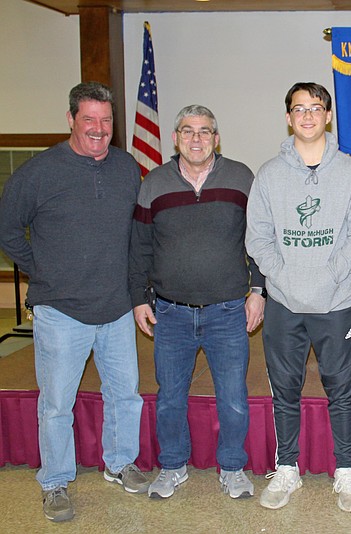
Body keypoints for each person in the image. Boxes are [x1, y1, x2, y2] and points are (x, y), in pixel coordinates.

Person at [0, 82, 148, 522]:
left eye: (106, 120)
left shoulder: (126, 167)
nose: (99, 129)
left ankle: (120, 464)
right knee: (56, 404)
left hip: (117, 307)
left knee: (125, 397)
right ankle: (55, 481)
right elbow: (8, 230)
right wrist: (42, 269)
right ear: (70, 119)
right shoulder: (39, 172)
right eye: (89, 120)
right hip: (60, 312)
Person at [245, 82, 351, 512]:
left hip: (337, 303)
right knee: (285, 389)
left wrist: (325, 277)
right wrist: (283, 279)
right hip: (283, 303)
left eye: (315, 108)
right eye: (298, 109)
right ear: (288, 117)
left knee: (340, 388)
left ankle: (345, 471)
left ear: (328, 115)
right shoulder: (268, 174)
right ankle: (287, 470)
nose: (307, 115)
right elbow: (258, 239)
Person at [128, 105, 265, 500]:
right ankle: (172, 466)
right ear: (175, 138)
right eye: (188, 131)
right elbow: (139, 249)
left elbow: (258, 239)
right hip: (170, 312)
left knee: (234, 399)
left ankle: (234, 468)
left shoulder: (241, 178)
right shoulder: (153, 183)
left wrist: (258, 291)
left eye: (205, 131)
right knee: (169, 398)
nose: (197, 138)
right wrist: (139, 300)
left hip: (227, 311)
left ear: (216, 138)